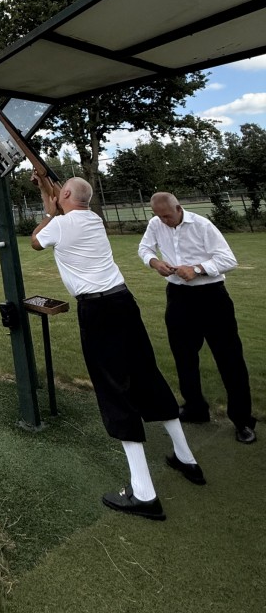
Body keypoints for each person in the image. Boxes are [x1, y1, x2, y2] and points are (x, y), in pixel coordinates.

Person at [31, 176, 204, 521]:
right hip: (124, 302)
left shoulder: (60, 225)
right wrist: (47, 192)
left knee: (114, 389)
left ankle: (144, 494)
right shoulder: (94, 219)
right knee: (147, 376)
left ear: (66, 194)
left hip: (97, 310)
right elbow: (67, 212)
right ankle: (187, 459)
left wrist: (49, 211)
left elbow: (36, 241)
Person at [138, 192, 256, 445]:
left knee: (230, 358)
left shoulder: (202, 225)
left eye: (167, 216)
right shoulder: (156, 223)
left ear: (178, 208)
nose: (164, 221)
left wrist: (198, 269)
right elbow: (144, 248)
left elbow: (228, 259)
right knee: (183, 356)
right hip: (178, 297)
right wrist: (155, 262)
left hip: (212, 297)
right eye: (158, 216)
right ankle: (195, 408)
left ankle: (242, 420)